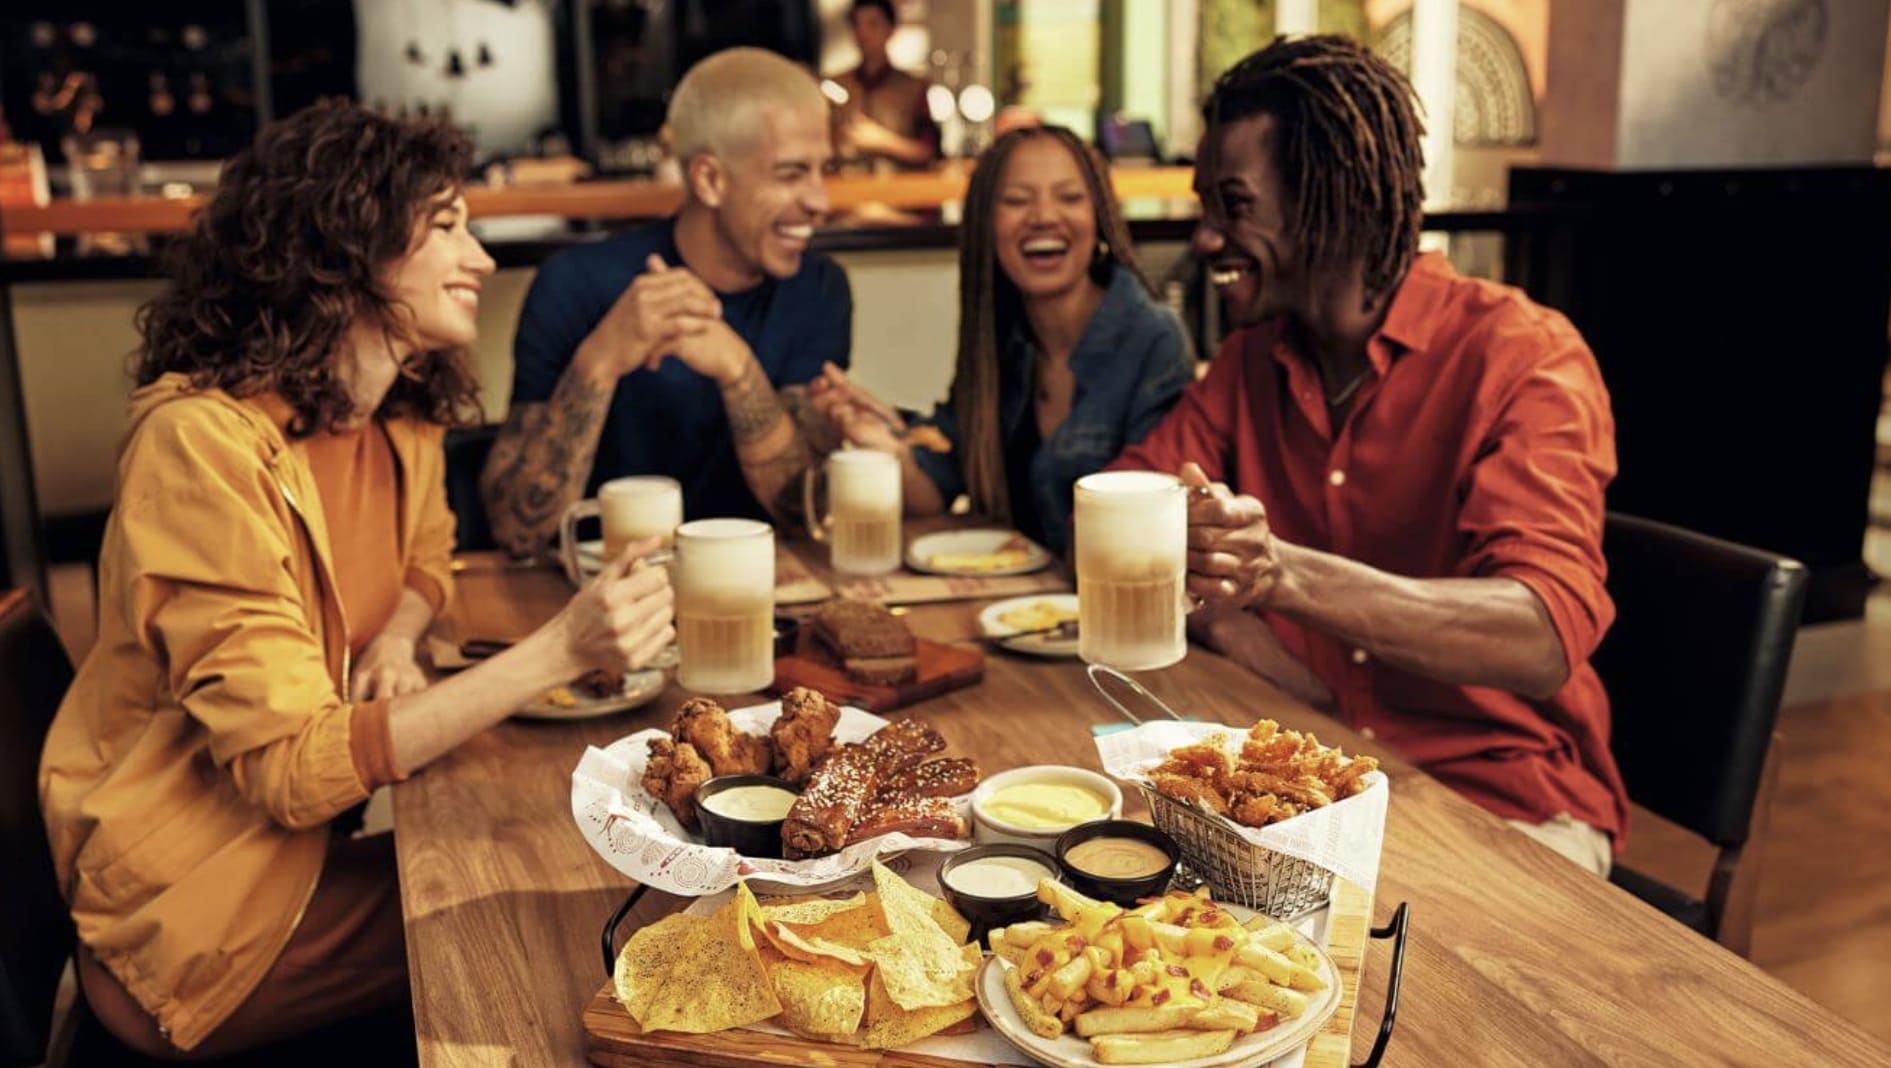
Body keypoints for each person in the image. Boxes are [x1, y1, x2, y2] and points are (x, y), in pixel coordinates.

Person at [38, 100, 674, 1058]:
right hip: (199, 928)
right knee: (598, 919)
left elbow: (428, 558)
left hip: (304, 863)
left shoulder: (393, 414)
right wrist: (560, 650)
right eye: (448, 226)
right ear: (346, 244)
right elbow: (292, 773)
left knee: (595, 862)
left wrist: (396, 635)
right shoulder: (200, 447)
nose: (485, 261)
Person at [1112, 36, 1627, 875]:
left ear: (1332, 200)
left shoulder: (1523, 354)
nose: (1206, 240)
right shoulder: (1254, 359)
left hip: (1501, 806)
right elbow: (1129, 505)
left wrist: (1274, 575)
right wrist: (1247, 632)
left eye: (1232, 206)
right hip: (1315, 791)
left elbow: (1537, 633)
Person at [481, 47, 849, 553]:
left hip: (753, 595)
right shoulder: (575, 283)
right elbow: (516, 527)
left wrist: (737, 367)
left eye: (822, 170)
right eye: (791, 174)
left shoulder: (820, 288)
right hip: (598, 599)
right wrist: (600, 360)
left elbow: (805, 512)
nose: (820, 200)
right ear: (709, 180)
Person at [812, 126, 1193, 555]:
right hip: (1018, 611)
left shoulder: (1154, 339)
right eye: (1016, 201)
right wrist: (885, 447)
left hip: (1111, 605)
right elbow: (937, 484)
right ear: (985, 226)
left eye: (1069, 197)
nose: (1044, 216)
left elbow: (1154, 526)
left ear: (1100, 217)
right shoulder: (999, 339)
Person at [832, 0, 940, 170]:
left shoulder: (913, 87)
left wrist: (882, 141)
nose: (863, 33)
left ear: (890, 30)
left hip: (897, 192)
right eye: (857, 25)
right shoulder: (835, 86)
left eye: (873, 24)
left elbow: (929, 152)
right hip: (846, 190)